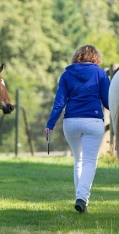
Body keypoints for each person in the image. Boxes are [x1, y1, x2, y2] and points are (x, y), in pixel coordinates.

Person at [44, 45, 110, 214]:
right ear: (96, 58)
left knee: (78, 160)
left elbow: (59, 103)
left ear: (77, 57)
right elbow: (108, 102)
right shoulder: (100, 74)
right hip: (93, 121)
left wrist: (50, 124)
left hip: (71, 122)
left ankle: (81, 202)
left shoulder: (66, 75)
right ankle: (82, 198)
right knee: (89, 162)